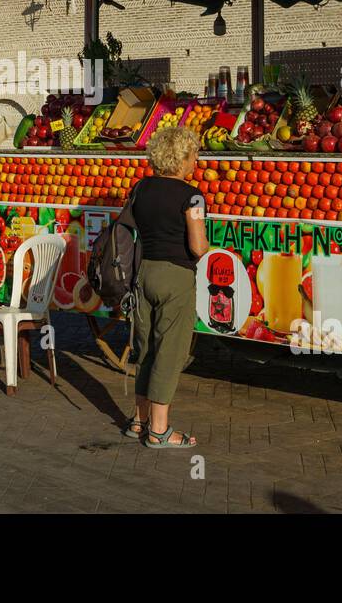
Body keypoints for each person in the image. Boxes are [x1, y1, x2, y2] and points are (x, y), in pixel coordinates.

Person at [124, 125, 208, 449]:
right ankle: (159, 430)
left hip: (144, 273)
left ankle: (138, 420)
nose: (196, 161)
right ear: (182, 157)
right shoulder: (192, 196)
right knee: (170, 353)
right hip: (176, 278)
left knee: (145, 350)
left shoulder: (141, 188)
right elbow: (198, 247)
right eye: (194, 155)